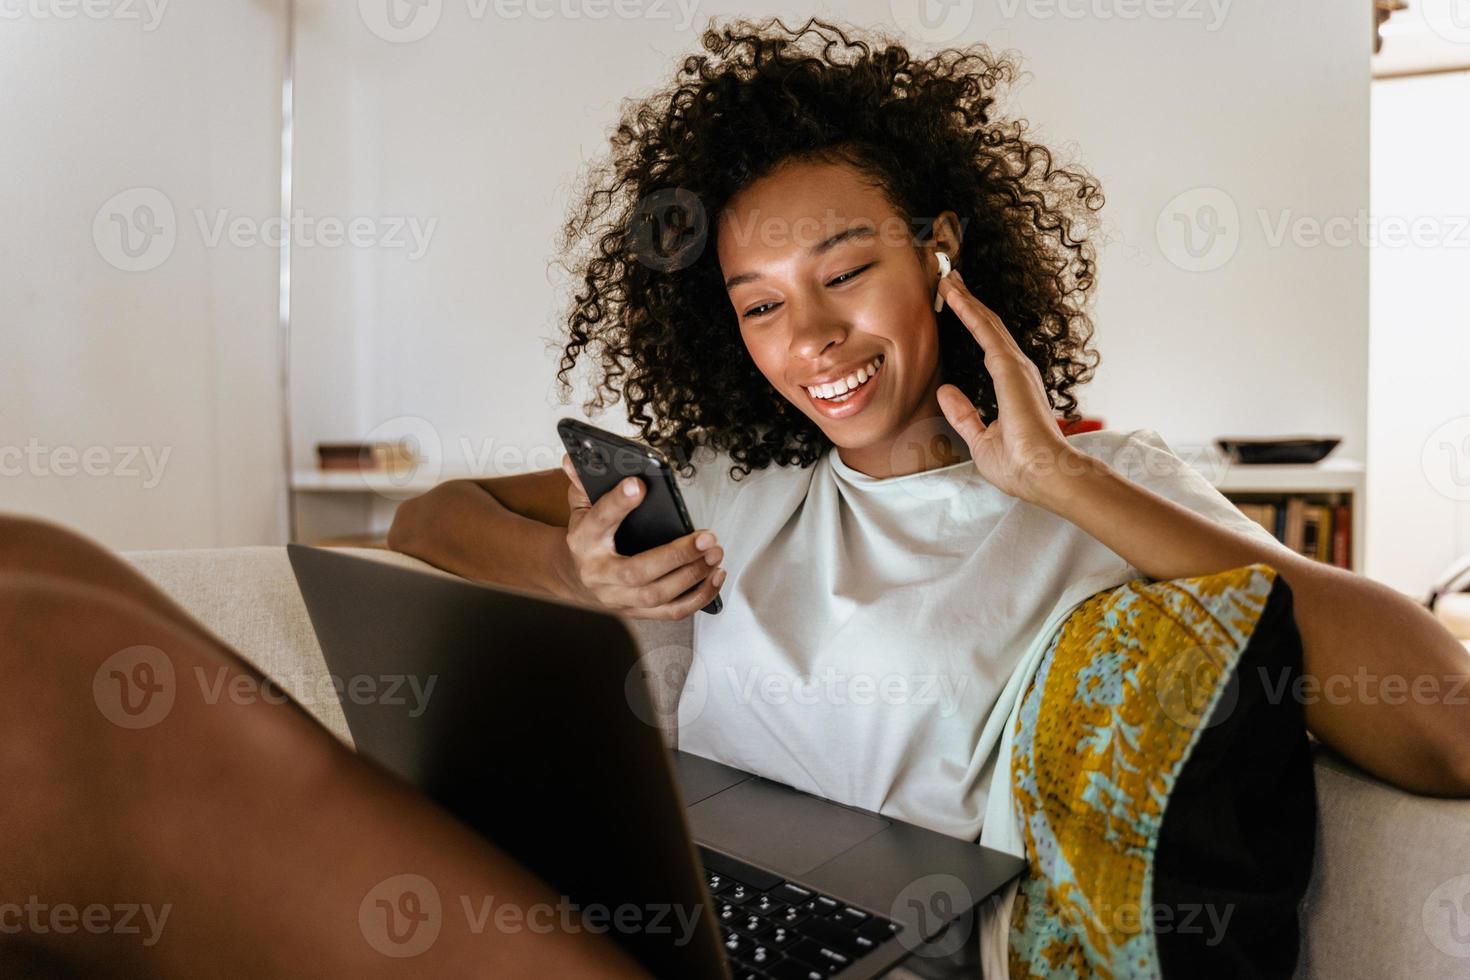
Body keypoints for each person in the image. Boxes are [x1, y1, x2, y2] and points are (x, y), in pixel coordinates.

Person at [4, 15, 1467, 980]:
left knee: (38, 663)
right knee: (33, 571)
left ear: (940, 251)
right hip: (679, 914)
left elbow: (1442, 724)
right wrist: (577, 580)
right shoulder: (734, 482)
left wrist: (1057, 477)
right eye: (761, 308)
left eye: (844, 274)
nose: (812, 341)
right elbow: (428, 516)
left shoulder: (1105, 494)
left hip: (879, 960)